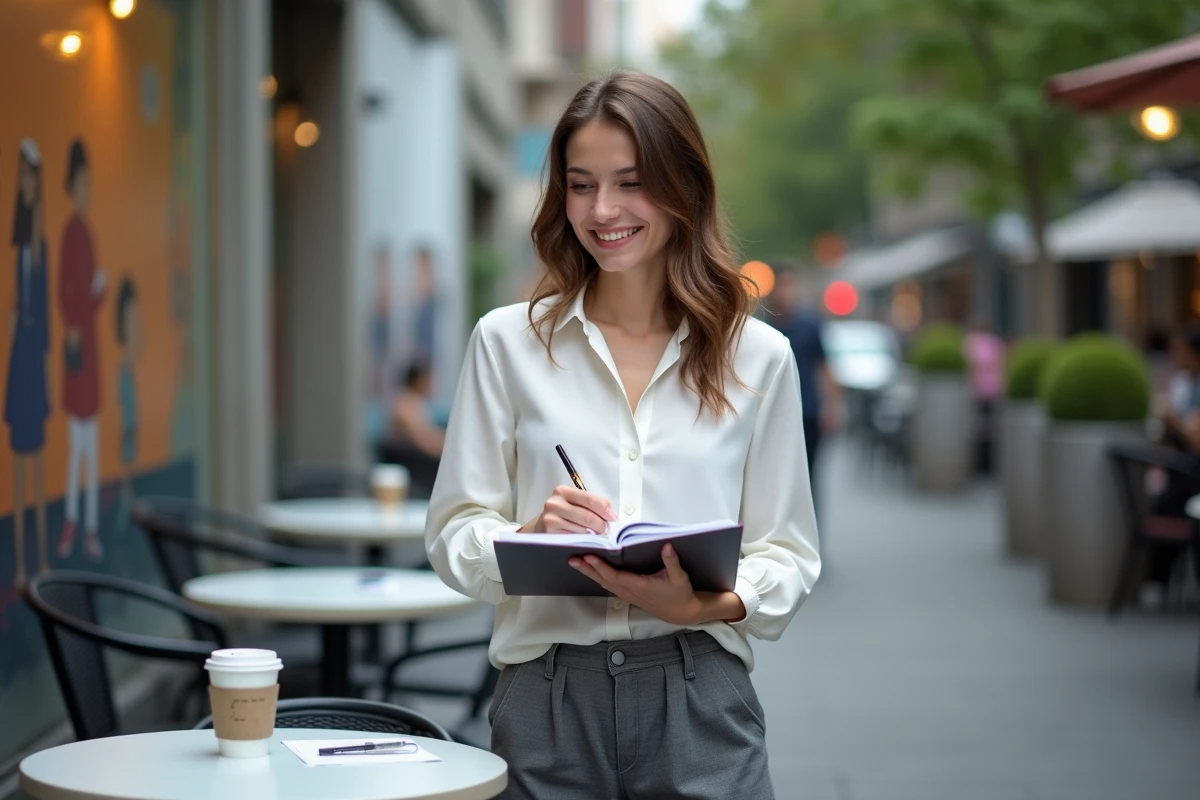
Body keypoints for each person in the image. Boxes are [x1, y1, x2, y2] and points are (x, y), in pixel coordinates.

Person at [425, 72, 820, 800]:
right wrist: (527, 534)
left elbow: (789, 553)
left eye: (630, 182)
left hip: (700, 696)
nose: (602, 210)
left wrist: (704, 604)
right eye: (580, 185)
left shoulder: (758, 356)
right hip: (545, 703)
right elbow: (452, 530)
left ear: (683, 188)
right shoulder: (506, 343)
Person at [57, 138, 106, 562]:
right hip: (79, 358)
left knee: (93, 450)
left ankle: (88, 526)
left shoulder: (85, 231)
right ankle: (74, 522)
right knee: (79, 449)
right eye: (84, 182)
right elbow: (65, 291)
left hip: (89, 354)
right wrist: (87, 304)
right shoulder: (72, 232)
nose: (88, 189)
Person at [5, 139, 51, 586]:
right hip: (20, 357)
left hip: (34, 357)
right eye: (22, 177)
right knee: (19, 464)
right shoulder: (18, 245)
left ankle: (39, 564)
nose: (27, 184)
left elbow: (44, 312)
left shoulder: (40, 246)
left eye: (31, 176)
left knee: (36, 464)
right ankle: (21, 564)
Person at [769, 268, 842, 498]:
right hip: (773, 413)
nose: (787, 292)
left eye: (791, 285)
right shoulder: (763, 326)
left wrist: (831, 407)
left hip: (808, 411)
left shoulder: (810, 325)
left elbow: (823, 367)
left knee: (809, 478)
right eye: (783, 285)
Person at [389, 360, 444, 459]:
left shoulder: (418, 402)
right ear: (416, 381)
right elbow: (420, 438)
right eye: (426, 380)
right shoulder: (404, 404)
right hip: (412, 460)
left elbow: (429, 433)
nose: (430, 384)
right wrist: (444, 451)